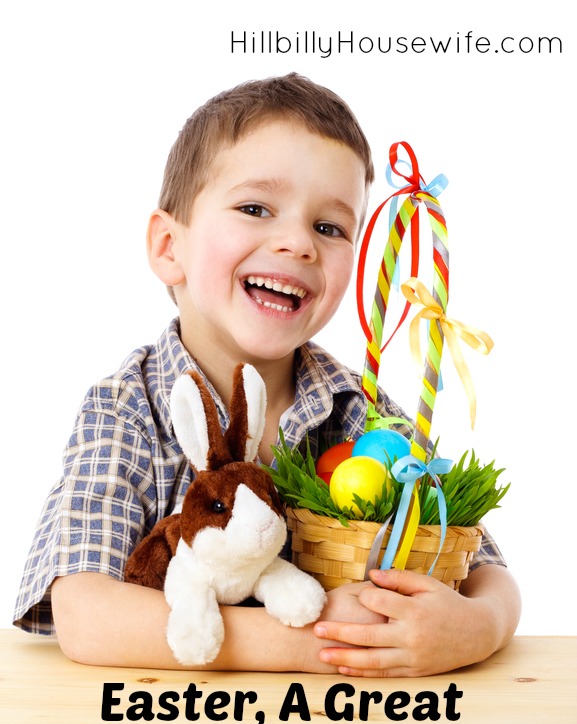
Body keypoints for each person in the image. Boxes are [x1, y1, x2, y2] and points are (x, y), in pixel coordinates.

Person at [13, 73, 521, 676]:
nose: (298, 243)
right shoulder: (127, 408)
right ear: (168, 246)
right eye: (255, 208)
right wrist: (318, 644)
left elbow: (484, 566)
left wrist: (480, 625)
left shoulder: (359, 409)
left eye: (329, 228)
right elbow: (84, 615)